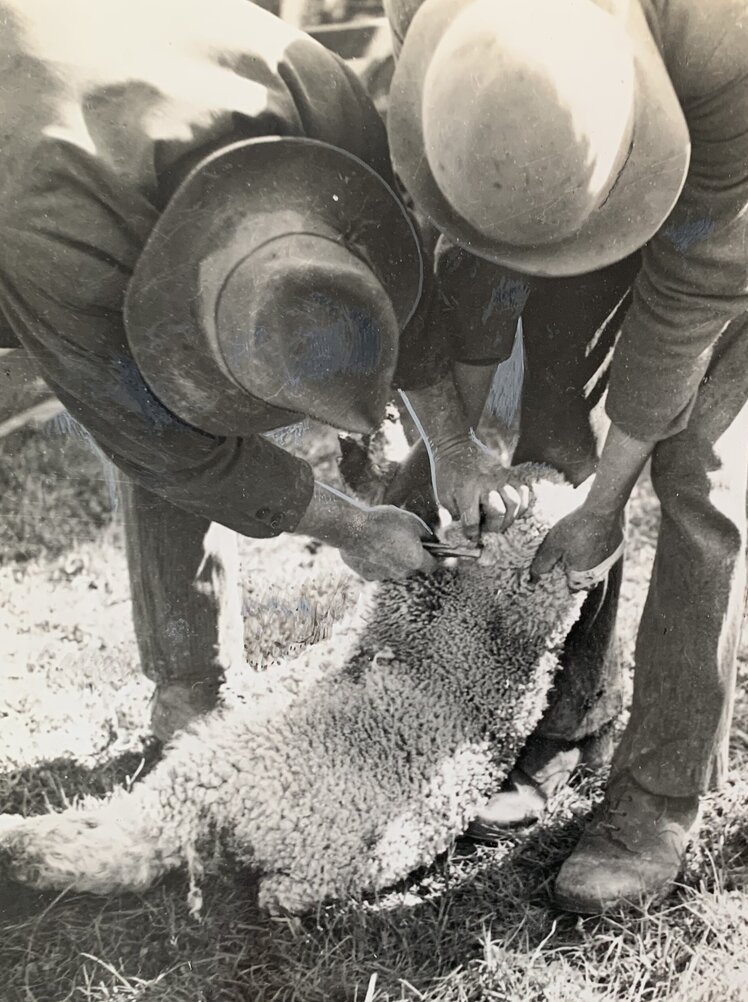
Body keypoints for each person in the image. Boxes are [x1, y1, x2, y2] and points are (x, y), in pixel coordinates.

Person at [384, 0, 748, 912]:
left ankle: (660, 791)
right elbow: (449, 240)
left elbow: (697, 290)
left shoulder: (736, 33)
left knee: (693, 465)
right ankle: (568, 716)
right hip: (558, 129)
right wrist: (453, 442)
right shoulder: (427, 16)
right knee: (547, 410)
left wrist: (605, 505)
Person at [0, 0, 523, 743]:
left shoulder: (321, 94)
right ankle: (189, 689)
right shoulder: (56, 235)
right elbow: (164, 445)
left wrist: (453, 446)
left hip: (114, 52)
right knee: (154, 411)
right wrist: (352, 526)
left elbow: (404, 288)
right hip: (27, 150)